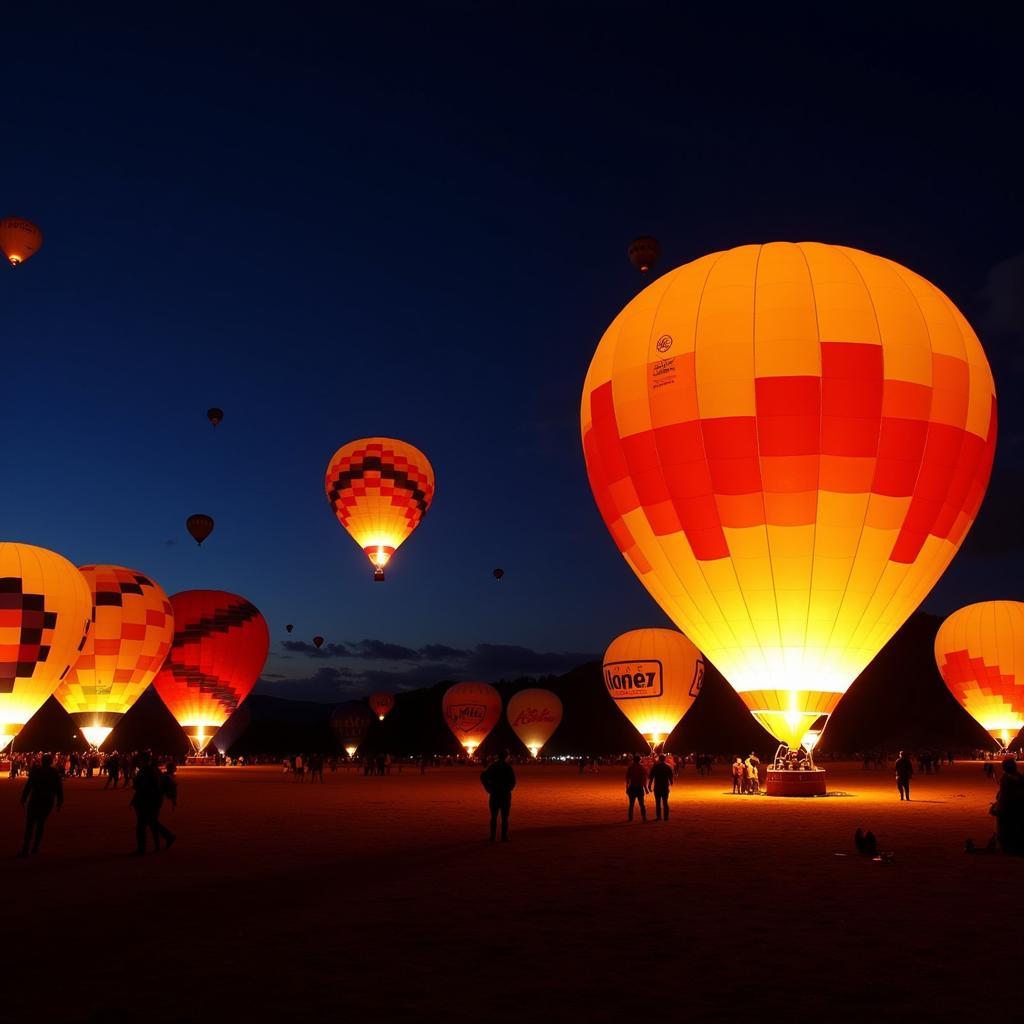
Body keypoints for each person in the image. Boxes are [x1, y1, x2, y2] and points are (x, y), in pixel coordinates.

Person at [18, 754, 63, 857]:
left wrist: (23, 798)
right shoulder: (54, 773)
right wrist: (59, 802)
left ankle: (26, 848)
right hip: (47, 801)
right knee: (40, 824)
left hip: (35, 800)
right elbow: (59, 789)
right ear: (51, 762)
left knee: (29, 824)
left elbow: (28, 785)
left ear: (41, 761)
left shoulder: (36, 771)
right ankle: (35, 847)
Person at [130, 752, 176, 854]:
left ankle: (142, 849)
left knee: (142, 825)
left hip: (147, 801)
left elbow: (142, 787)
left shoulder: (146, 771)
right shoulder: (154, 770)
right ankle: (167, 838)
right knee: (152, 822)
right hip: (154, 800)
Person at [480, 749, 516, 842]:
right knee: (505, 818)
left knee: (493, 817)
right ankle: (504, 837)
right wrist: (508, 788)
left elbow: (483, 776)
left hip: (495, 794)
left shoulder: (493, 766)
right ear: (506, 756)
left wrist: (488, 788)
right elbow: (513, 781)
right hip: (505, 795)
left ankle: (492, 837)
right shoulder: (508, 767)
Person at [993, 758, 1024, 855]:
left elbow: (1004, 795)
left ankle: (1008, 846)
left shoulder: (1006, 779)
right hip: (1018, 807)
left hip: (1007, 808)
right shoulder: (1020, 777)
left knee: (1005, 828)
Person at [649, 753, 674, 821]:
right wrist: (671, 782)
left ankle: (659, 817)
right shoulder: (668, 767)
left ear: (659, 759)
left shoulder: (655, 767)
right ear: (664, 759)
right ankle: (666, 817)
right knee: (665, 802)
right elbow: (671, 778)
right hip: (665, 787)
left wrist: (649, 786)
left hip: (657, 787)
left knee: (658, 803)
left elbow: (651, 777)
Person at [625, 754, 648, 822]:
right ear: (640, 760)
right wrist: (646, 789)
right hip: (639, 787)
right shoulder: (642, 768)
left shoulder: (630, 767)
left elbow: (627, 779)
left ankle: (630, 818)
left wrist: (627, 787)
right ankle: (644, 817)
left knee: (631, 804)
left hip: (632, 787)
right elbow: (644, 779)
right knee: (642, 804)